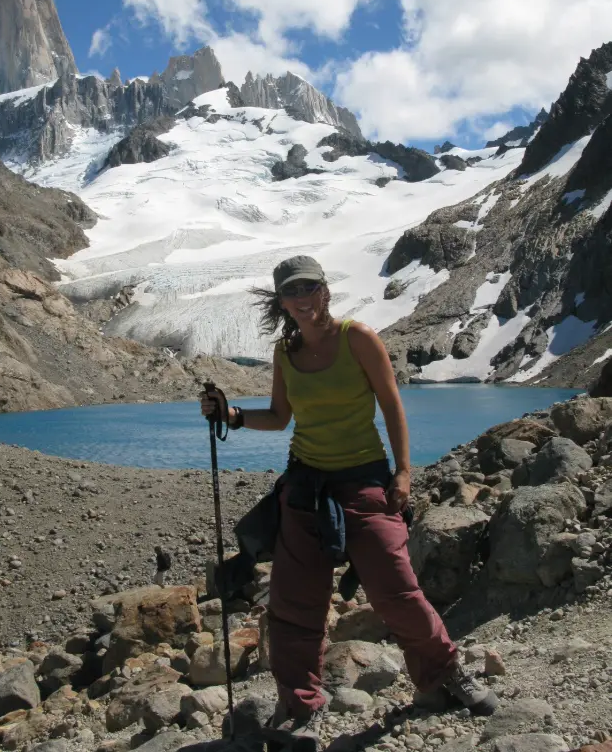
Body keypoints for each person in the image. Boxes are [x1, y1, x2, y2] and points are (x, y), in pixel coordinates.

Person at [200, 255, 497, 746]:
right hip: (305, 486)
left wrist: (403, 472)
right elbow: (278, 417)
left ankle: (444, 676)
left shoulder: (358, 338)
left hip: (363, 481)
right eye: (291, 292)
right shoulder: (284, 352)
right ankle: (299, 706)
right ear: (281, 301)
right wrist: (230, 414)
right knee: (294, 603)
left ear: (325, 291)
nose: (302, 299)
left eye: (310, 288)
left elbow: (391, 404)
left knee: (396, 590)